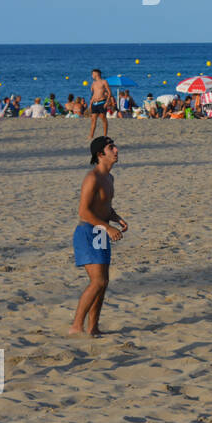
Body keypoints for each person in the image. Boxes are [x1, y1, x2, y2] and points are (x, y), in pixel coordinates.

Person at [71, 137, 127, 336]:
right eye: (111, 147)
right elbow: (84, 212)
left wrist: (116, 218)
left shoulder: (109, 178)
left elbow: (104, 207)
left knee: (103, 283)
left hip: (101, 231)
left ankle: (93, 327)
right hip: (88, 231)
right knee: (98, 281)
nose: (116, 150)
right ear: (100, 154)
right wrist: (108, 228)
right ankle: (76, 326)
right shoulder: (92, 178)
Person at [88, 68, 113, 140]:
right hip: (94, 103)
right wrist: (90, 104)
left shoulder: (104, 82)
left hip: (102, 102)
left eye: (93, 74)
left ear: (96, 74)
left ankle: (105, 135)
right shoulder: (93, 83)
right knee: (93, 119)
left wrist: (107, 102)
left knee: (103, 119)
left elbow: (109, 93)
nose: (92, 75)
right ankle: (91, 136)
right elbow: (93, 94)